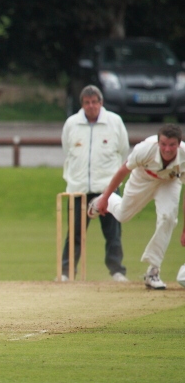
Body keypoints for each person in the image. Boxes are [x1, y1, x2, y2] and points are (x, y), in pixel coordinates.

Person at [90, 124, 185, 290]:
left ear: (179, 143)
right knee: (122, 215)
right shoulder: (145, 149)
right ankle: (106, 200)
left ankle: (153, 271)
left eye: (171, 145)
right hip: (143, 178)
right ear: (158, 142)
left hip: (169, 181)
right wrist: (105, 197)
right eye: (163, 144)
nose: (167, 149)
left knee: (168, 218)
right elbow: (122, 171)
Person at [60, 85, 129, 282]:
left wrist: (112, 183)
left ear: (101, 103)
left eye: (94, 102)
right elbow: (67, 150)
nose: (91, 106)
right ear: (82, 104)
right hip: (78, 188)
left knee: (113, 232)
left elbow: (123, 152)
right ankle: (67, 272)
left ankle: (117, 271)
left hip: (106, 189)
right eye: (87, 103)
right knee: (74, 232)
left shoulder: (114, 122)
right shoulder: (72, 123)